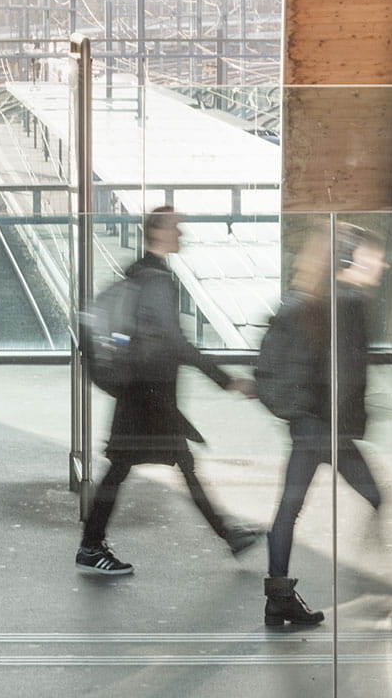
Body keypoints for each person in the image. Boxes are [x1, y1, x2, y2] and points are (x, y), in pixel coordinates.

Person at [75, 206, 263, 576]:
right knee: (135, 467)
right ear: (157, 232)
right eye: (176, 227)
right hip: (150, 394)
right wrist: (226, 380)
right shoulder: (158, 280)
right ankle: (91, 545)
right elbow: (176, 342)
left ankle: (230, 536)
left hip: (142, 391)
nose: (182, 234)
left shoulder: (143, 273)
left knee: (149, 465)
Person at [258, 222, 387, 629]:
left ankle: (278, 597)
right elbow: (347, 375)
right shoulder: (348, 304)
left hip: (306, 426)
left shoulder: (302, 299)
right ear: (348, 259)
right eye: (369, 256)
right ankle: (374, 579)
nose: (378, 264)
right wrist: (351, 423)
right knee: (377, 496)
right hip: (332, 430)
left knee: (287, 511)